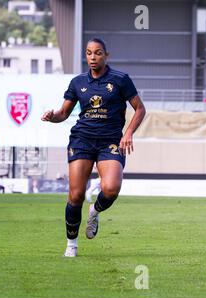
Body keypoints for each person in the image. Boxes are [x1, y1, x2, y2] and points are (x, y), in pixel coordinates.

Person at [41, 38, 146, 258]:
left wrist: (128, 133)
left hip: (110, 141)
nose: (92, 57)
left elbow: (139, 109)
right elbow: (63, 114)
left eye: (97, 53)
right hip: (82, 139)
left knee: (111, 189)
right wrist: (53, 117)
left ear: (106, 55)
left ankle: (95, 210)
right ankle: (71, 244)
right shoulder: (78, 82)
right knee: (76, 194)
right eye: (89, 53)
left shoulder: (120, 79)